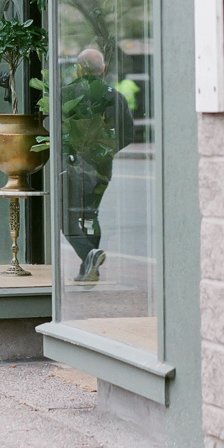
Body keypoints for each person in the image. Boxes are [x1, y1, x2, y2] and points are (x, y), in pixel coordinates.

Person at [61, 46, 135, 284]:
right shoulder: (115, 95)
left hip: (73, 166)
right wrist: (107, 151)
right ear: (102, 69)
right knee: (90, 214)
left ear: (78, 69)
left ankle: (89, 255)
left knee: (66, 217)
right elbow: (128, 133)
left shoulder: (66, 94)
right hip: (103, 166)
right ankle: (89, 267)